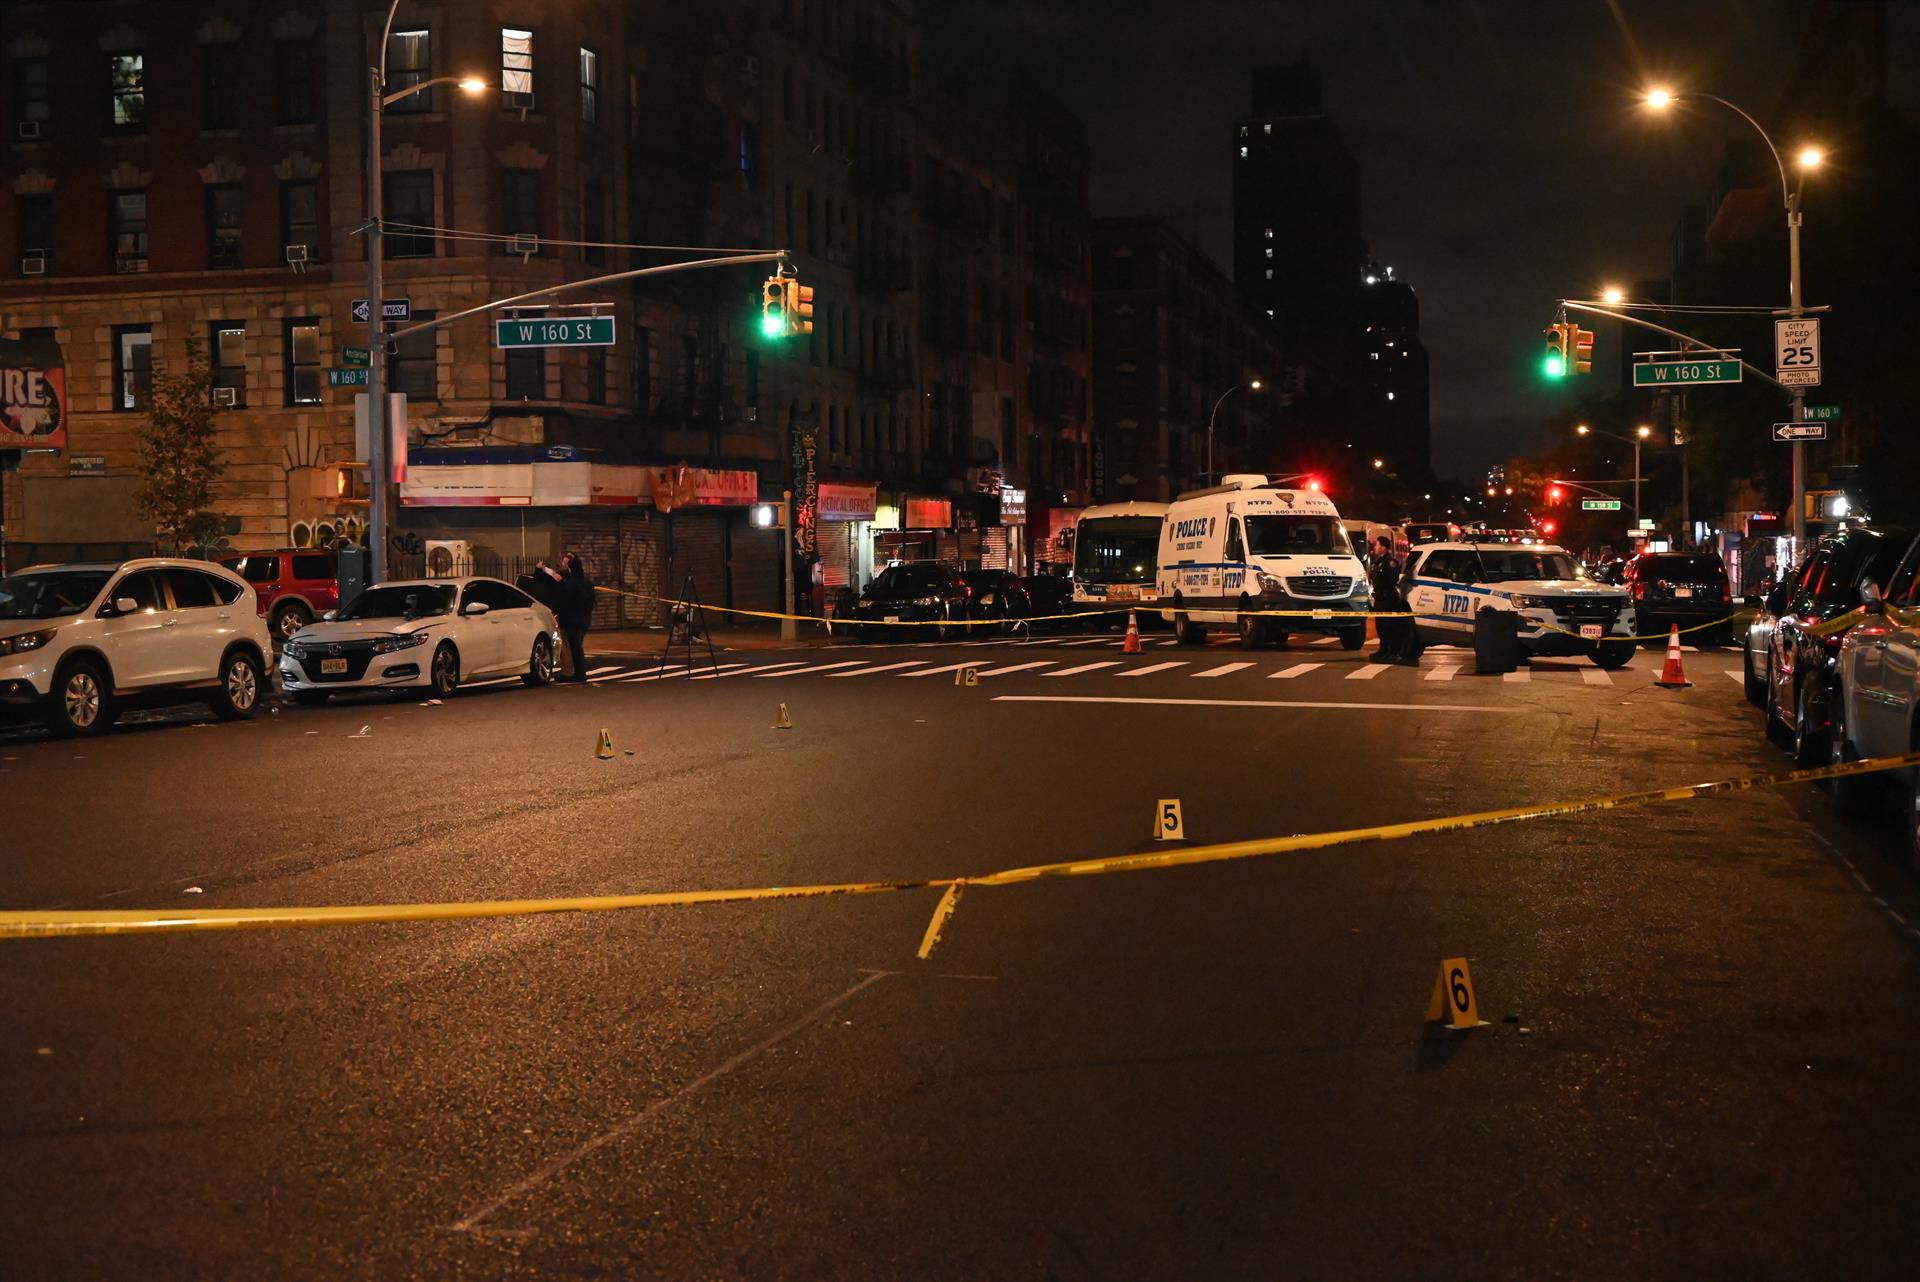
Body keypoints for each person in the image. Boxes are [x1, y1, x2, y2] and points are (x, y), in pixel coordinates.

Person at [1366, 535, 1414, 664]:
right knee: (1381, 626)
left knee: (1389, 626)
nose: (1375, 547)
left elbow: (1391, 580)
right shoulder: (1378, 561)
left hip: (1388, 598)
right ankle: (1383, 649)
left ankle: (1392, 651)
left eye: (1377, 545)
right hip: (1379, 598)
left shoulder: (1390, 562)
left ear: (1383, 547)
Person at [553, 551, 595, 683]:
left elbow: (564, 601)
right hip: (585, 619)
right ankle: (576, 673)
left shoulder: (571, 583)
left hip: (572, 620)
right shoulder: (587, 583)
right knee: (577, 647)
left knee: (574, 648)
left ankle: (579, 674)